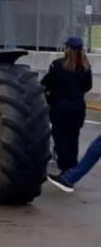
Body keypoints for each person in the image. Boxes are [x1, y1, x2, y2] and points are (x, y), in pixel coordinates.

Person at [41, 36, 92, 173]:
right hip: (77, 107)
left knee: (60, 138)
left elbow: (46, 83)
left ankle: (64, 167)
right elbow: (88, 86)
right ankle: (72, 166)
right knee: (73, 137)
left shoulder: (57, 65)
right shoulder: (85, 67)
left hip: (60, 106)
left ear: (67, 49)